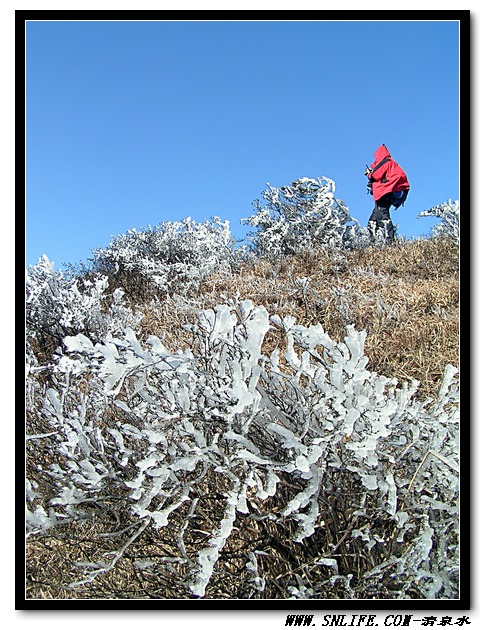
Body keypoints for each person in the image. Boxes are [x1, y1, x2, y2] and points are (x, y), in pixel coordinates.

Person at [364, 144, 410, 244]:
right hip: (391, 191)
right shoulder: (391, 163)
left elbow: (375, 175)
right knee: (373, 220)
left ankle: (388, 242)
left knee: (382, 216)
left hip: (385, 192)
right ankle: (375, 243)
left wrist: (368, 174)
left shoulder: (385, 162)